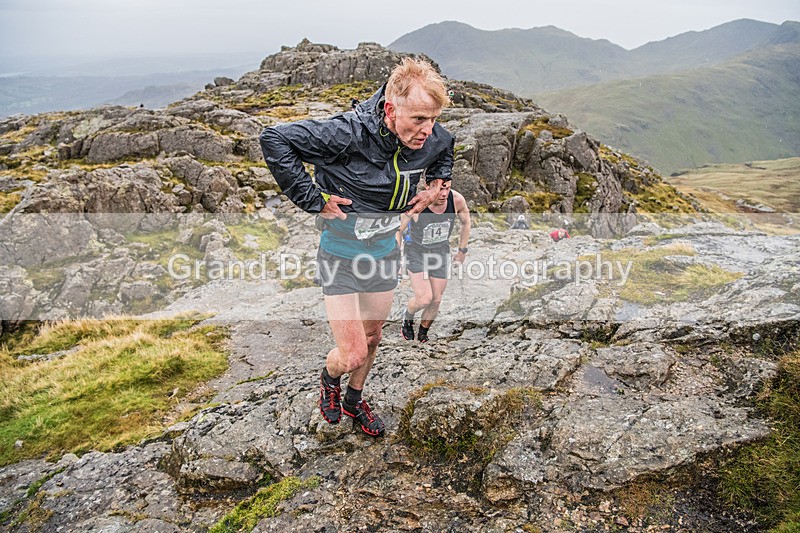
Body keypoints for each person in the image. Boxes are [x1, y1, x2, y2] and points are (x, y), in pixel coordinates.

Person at [260, 58, 454, 436]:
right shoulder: (346, 133)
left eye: (432, 119)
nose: (428, 131)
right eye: (418, 120)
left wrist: (438, 183)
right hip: (341, 255)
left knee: (374, 337)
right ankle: (330, 378)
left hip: (383, 252)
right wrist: (313, 199)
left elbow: (446, 147)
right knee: (352, 353)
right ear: (390, 109)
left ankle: (354, 398)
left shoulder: (431, 134)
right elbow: (274, 138)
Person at [400, 179, 470, 343]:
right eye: (440, 189)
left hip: (440, 252)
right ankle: (408, 316)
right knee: (424, 298)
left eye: (448, 188)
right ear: (428, 187)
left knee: (436, 299)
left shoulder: (456, 200)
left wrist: (462, 251)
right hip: (416, 252)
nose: (444, 194)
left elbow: (466, 222)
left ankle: (423, 332)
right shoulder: (417, 202)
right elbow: (399, 228)